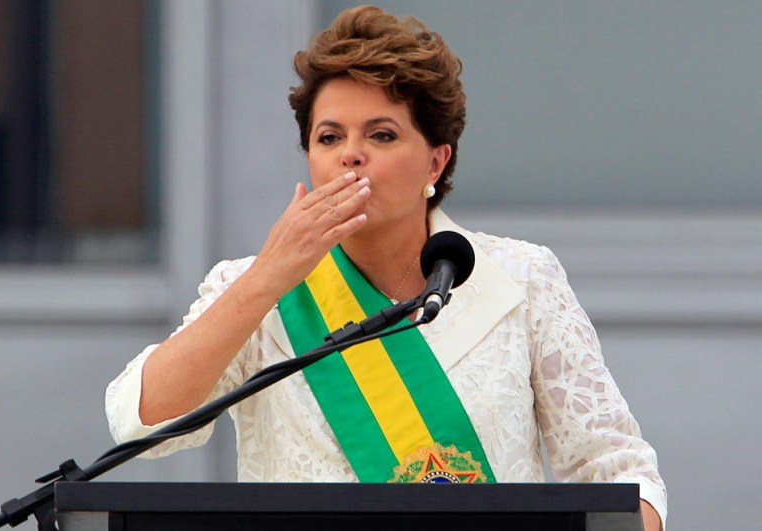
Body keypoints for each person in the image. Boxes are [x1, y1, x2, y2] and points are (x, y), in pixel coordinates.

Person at [106, 5, 666, 530]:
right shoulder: (253, 288)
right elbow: (143, 423)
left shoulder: (519, 278)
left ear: (436, 160)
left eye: (381, 134)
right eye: (330, 137)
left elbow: (616, 470)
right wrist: (269, 277)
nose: (351, 154)